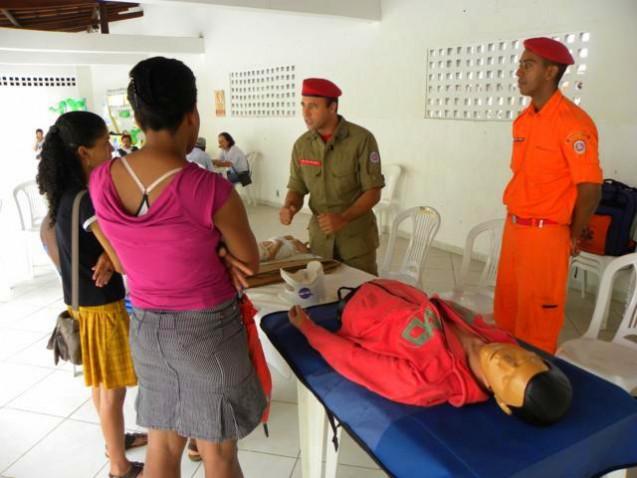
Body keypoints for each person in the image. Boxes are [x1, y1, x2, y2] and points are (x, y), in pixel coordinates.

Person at [89, 56, 266, 478]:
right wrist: (218, 253)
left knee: (163, 449)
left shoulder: (101, 180)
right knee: (219, 455)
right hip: (209, 330)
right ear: (193, 115)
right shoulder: (209, 189)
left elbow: (129, 249)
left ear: (137, 116)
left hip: (148, 329)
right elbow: (249, 264)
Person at [287, 279, 573, 426]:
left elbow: (354, 362)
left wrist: (309, 330)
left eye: (509, 378)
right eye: (524, 360)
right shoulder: (499, 337)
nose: (508, 360)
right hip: (391, 289)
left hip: (354, 310)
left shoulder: (429, 380)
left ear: (501, 402)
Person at [36, 111, 146, 478]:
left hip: (80, 302)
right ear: (84, 152)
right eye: (104, 145)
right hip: (103, 307)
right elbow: (125, 259)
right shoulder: (87, 200)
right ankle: (118, 465)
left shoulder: (65, 195)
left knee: (99, 382)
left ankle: (113, 443)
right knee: (112, 389)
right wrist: (113, 258)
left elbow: (95, 248)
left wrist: (105, 256)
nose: (111, 150)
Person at [494, 37, 603, 354]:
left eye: (528, 64)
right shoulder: (525, 119)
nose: (519, 71)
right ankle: (506, 379)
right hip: (515, 229)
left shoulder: (572, 123)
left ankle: (536, 390)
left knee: (537, 325)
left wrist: (573, 233)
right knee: (507, 313)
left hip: (546, 235)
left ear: (550, 72)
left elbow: (591, 188)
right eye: (520, 64)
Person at [279, 78, 384, 275]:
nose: (305, 113)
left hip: (356, 243)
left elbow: (373, 191)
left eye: (313, 106)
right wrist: (290, 206)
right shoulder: (302, 145)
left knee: (360, 297)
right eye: (303, 105)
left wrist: (343, 218)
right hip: (320, 242)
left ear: (332, 107)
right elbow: (297, 187)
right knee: (324, 296)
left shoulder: (361, 140)